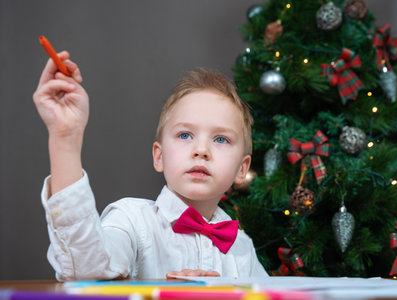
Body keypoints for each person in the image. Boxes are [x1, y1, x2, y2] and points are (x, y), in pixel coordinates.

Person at [33, 51, 268, 281]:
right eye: (185, 135)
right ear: (159, 156)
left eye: (221, 139)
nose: (201, 150)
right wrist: (65, 139)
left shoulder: (242, 246)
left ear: (242, 168)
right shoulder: (131, 221)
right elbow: (86, 268)